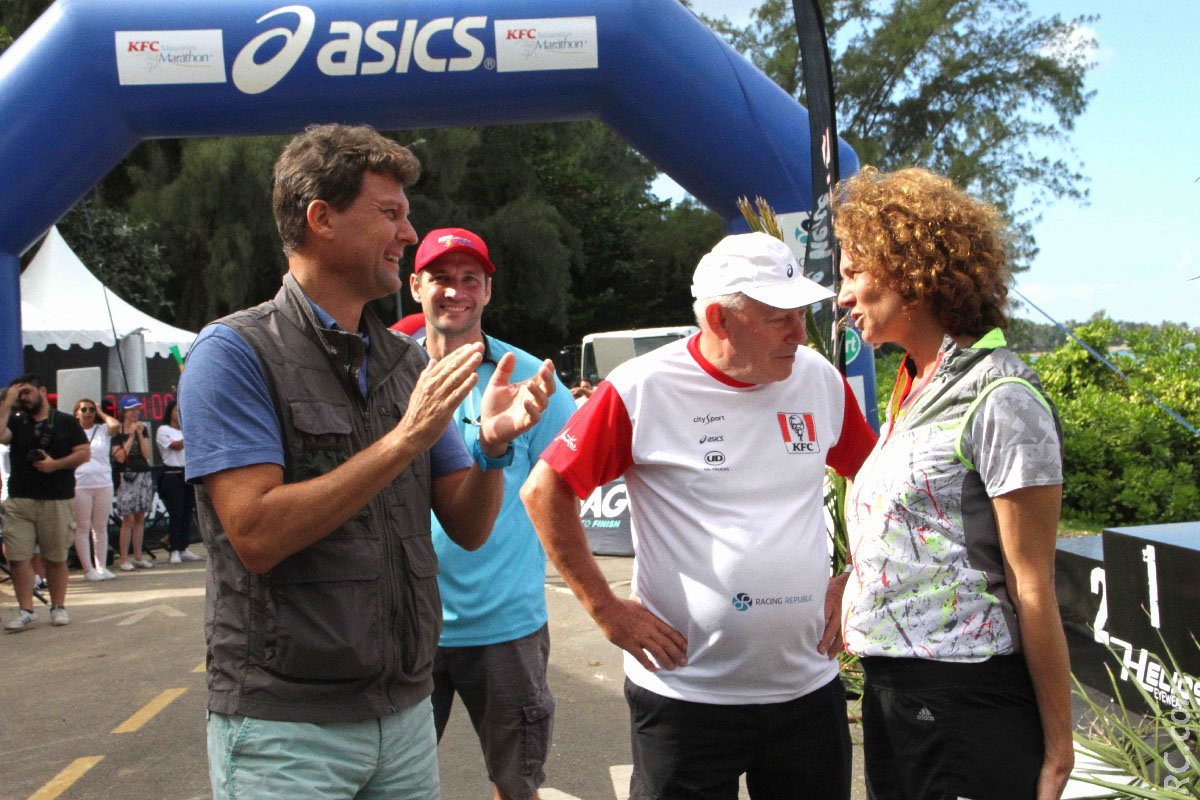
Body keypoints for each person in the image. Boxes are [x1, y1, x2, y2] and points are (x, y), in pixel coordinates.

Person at [178, 123, 556, 800]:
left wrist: (492, 449)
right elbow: (256, 534)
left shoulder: (402, 362)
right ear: (320, 219)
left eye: (406, 216)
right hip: (285, 730)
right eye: (390, 214)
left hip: (403, 717)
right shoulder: (233, 355)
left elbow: (467, 527)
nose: (408, 235)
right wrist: (404, 440)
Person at [521, 232, 878, 800]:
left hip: (806, 692)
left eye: (802, 313)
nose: (799, 333)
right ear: (718, 319)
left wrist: (856, 576)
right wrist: (605, 609)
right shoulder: (643, 387)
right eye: (779, 316)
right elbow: (545, 490)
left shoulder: (817, 379)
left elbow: (877, 479)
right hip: (685, 698)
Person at [833, 166, 1073, 800]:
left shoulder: (1001, 393)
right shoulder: (914, 390)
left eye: (855, 271)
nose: (842, 295)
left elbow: (1032, 582)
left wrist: (1059, 746)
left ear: (912, 274)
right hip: (895, 697)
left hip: (966, 700)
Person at [409, 227, 576, 800]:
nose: (455, 292)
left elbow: (563, 491)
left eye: (469, 280)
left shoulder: (536, 383)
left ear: (486, 292)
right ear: (415, 287)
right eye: (440, 278)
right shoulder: (386, 378)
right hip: (408, 623)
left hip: (506, 628)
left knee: (515, 783)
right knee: (392, 783)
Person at [1, 375, 90, 631]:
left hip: (57, 498)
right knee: (18, 558)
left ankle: (58, 606)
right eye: (19, 395)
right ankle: (26, 609)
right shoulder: (16, 422)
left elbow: (84, 453)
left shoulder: (66, 421)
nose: (24, 398)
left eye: (27, 392)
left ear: (42, 390)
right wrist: (7, 403)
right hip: (20, 499)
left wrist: (55, 465)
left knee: (55, 557)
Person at [72, 397, 119, 580]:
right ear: (77, 413)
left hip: (103, 482)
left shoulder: (101, 430)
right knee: (82, 527)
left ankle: (102, 567)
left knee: (100, 526)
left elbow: (115, 425)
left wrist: (101, 413)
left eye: (91, 409)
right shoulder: (72, 432)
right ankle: (87, 569)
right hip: (81, 484)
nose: (88, 412)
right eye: (84, 409)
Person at [111, 394, 154, 571]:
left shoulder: (142, 429)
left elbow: (147, 455)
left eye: (137, 410)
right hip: (126, 476)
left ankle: (138, 556)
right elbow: (119, 457)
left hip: (143, 473)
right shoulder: (117, 432)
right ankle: (123, 558)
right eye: (131, 410)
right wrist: (129, 438)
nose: (135, 413)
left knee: (140, 517)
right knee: (127, 518)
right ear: (124, 412)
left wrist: (139, 435)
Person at [155, 399, 199, 564]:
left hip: (188, 472)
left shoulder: (185, 430)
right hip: (172, 474)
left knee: (188, 511)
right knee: (176, 512)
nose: (178, 413)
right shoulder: (163, 430)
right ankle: (174, 549)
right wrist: (192, 433)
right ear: (170, 412)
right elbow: (176, 446)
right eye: (175, 410)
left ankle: (184, 547)